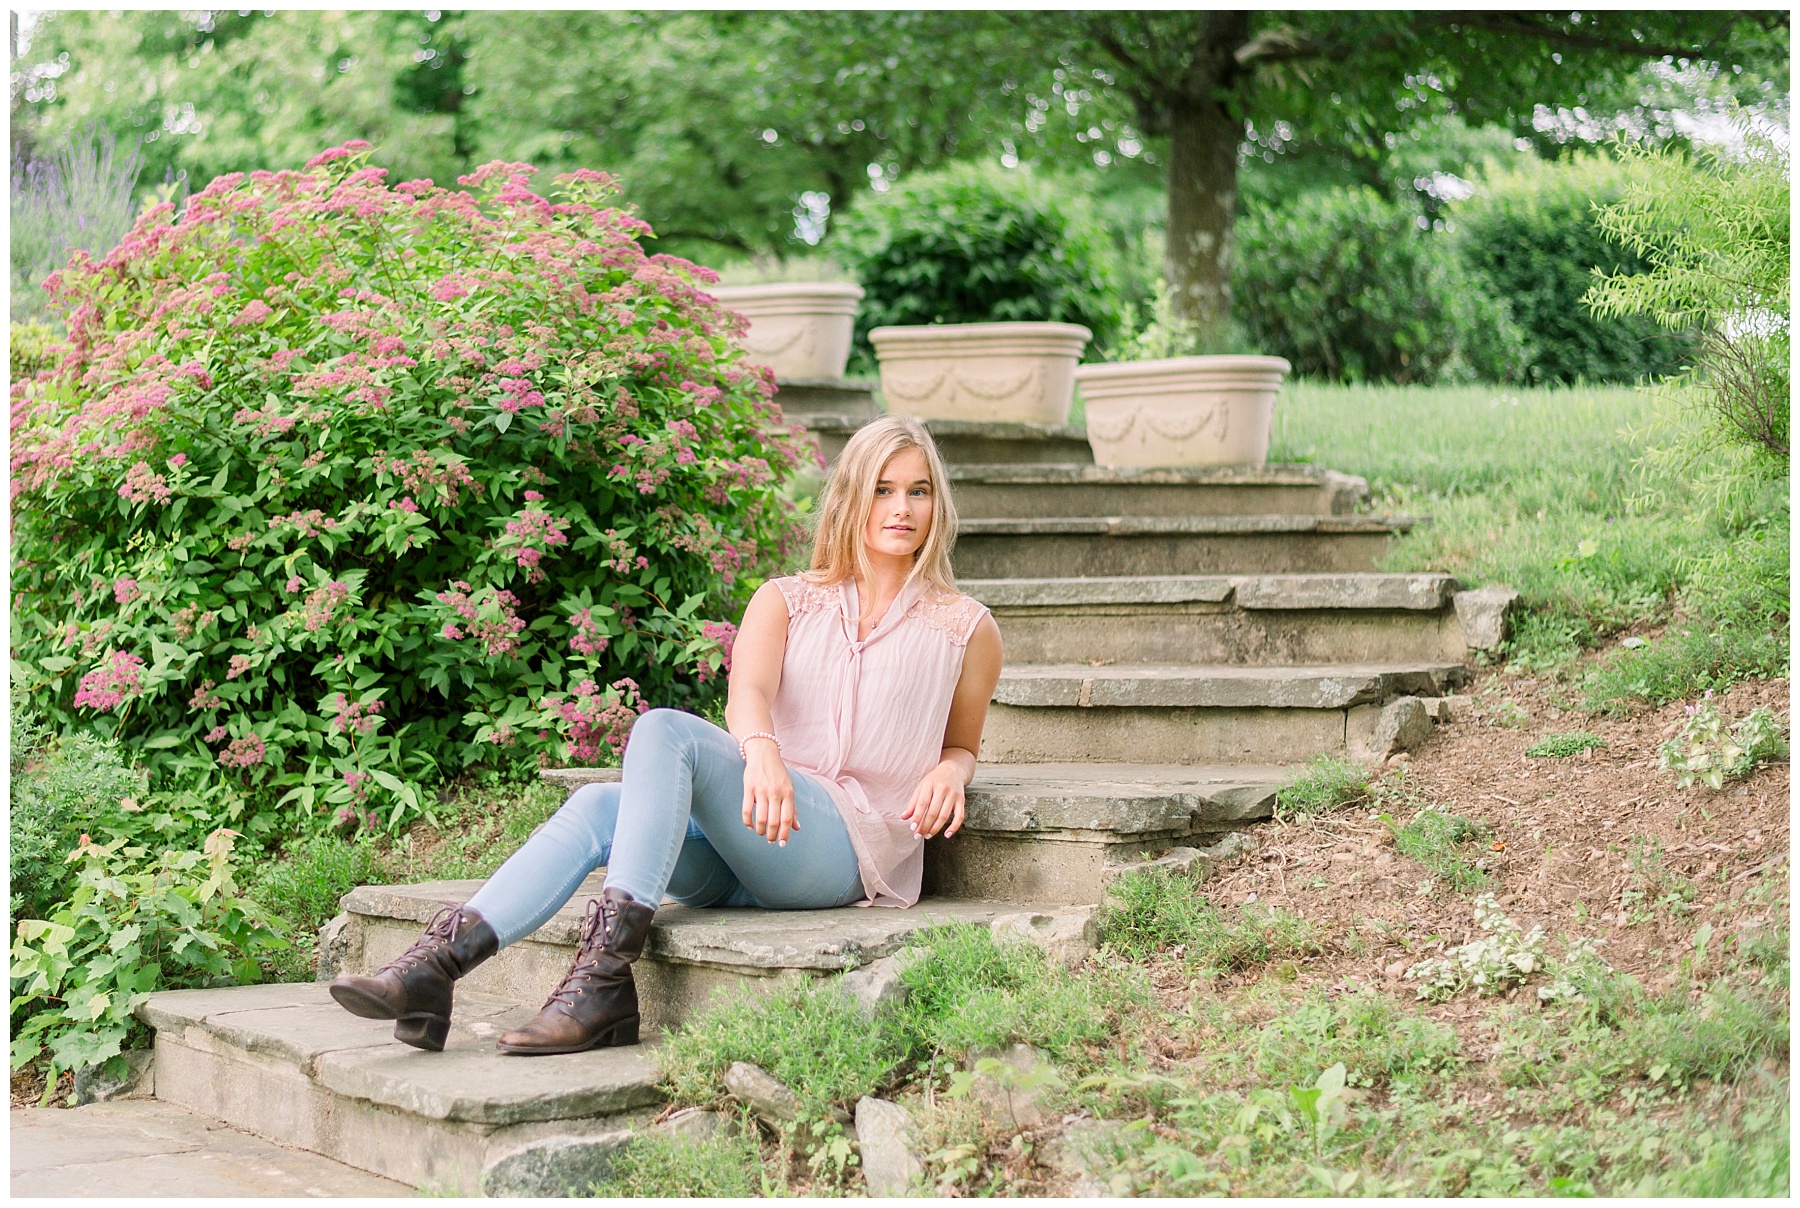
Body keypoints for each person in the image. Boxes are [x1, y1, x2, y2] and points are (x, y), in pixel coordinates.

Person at [327, 416, 1005, 1055]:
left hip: (843, 847)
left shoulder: (966, 628)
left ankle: (603, 982)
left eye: (918, 491)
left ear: (936, 504)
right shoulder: (788, 599)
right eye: (883, 489)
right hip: (755, 827)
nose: (901, 508)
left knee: (664, 730)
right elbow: (749, 694)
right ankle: (434, 970)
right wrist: (762, 753)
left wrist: (952, 771)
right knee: (599, 805)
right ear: (852, 496)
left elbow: (961, 743)